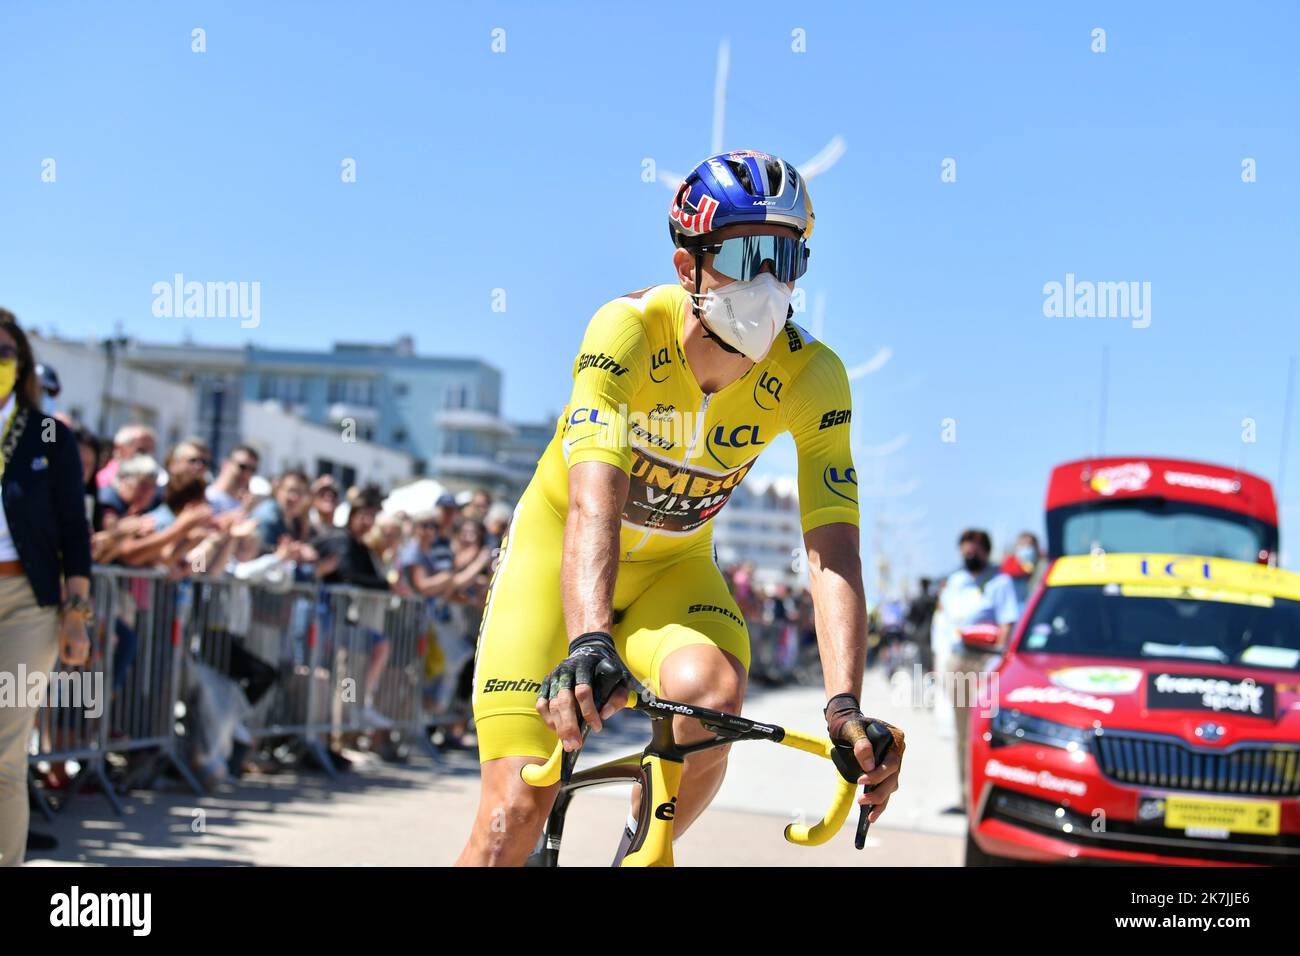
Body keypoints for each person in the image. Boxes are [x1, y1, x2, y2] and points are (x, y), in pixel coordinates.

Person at [457, 150, 904, 866]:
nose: (767, 281)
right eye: (745, 254)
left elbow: (833, 550)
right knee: (511, 813)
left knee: (712, 695)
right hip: (557, 567)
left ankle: (637, 853)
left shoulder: (815, 377)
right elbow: (592, 501)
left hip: (676, 572)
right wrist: (587, 641)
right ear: (687, 265)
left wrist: (844, 705)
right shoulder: (626, 331)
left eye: (785, 257)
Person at [0, 309, 92, 866]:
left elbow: (74, 528)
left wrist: (75, 614)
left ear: (23, 364)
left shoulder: (49, 435)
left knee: (4, 754)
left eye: (5, 353)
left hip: (25, 605)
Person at [934, 528, 1019, 813]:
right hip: (959, 659)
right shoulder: (956, 582)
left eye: (974, 551)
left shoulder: (1000, 582)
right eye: (965, 551)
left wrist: (999, 663)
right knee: (961, 733)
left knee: (983, 733)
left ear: (985, 551)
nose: (969, 555)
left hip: (985, 661)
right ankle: (965, 796)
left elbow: (1007, 623)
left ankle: (987, 795)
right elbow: (946, 622)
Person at [95, 423, 156, 491]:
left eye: (151, 450)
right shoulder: (107, 479)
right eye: (142, 450)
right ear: (121, 447)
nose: (147, 456)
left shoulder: (154, 479)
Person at [998, 531, 1045, 615]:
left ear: (1036, 548)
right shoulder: (1008, 569)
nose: (1026, 549)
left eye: (1029, 545)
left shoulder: (1045, 567)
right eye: (1022, 545)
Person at [206, 444, 259, 516]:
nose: (247, 473)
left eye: (252, 470)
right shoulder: (208, 497)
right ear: (226, 464)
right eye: (242, 467)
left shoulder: (244, 503)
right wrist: (243, 511)